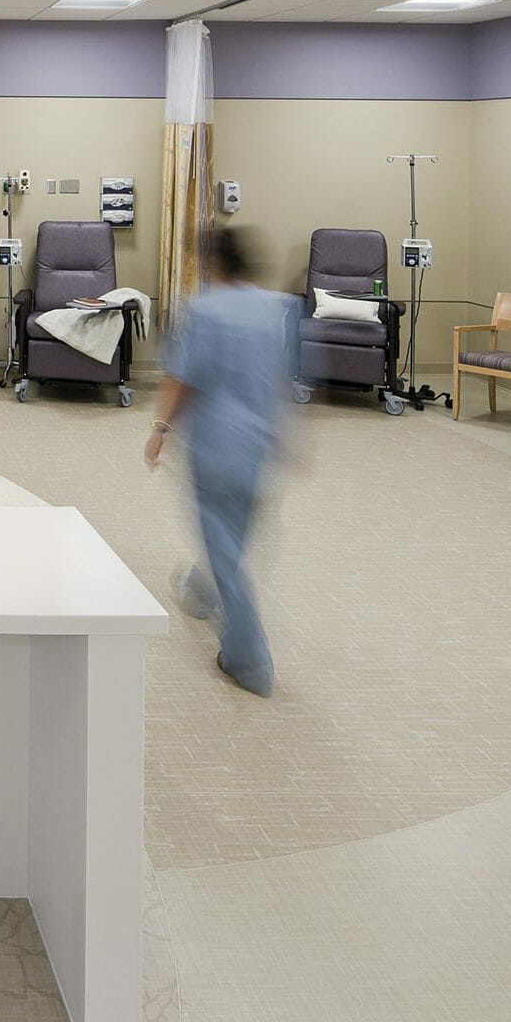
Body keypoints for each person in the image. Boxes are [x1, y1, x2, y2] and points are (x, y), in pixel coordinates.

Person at [144, 227, 295, 697]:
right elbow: (281, 380)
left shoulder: (206, 308)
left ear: (214, 264)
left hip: (216, 446)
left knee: (225, 553)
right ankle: (197, 590)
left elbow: (184, 377)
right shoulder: (275, 309)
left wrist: (160, 429)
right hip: (258, 444)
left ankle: (249, 662)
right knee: (232, 538)